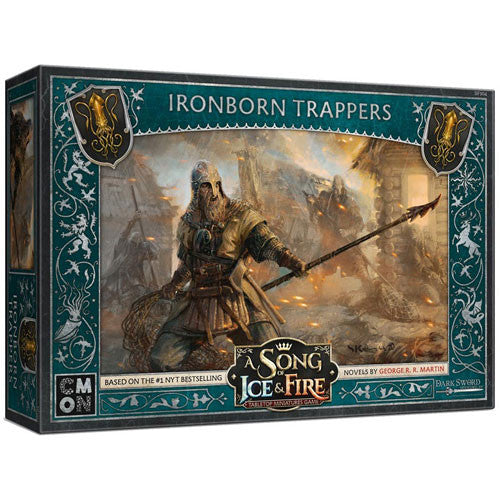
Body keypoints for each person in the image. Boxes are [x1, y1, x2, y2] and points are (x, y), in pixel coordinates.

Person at [150, 160, 306, 371]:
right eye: (203, 187)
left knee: (272, 353)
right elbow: (188, 263)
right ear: (195, 190)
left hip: (236, 295)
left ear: (219, 185)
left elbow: (268, 244)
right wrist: (174, 285)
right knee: (160, 360)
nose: (211, 193)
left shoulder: (241, 214)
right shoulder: (188, 223)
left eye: (213, 185)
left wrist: (290, 260)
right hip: (198, 300)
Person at [102, 211, 158, 308]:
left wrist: (148, 248)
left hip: (135, 276)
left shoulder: (140, 249)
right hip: (121, 275)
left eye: (136, 244)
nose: (134, 246)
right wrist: (132, 222)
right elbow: (123, 235)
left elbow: (154, 256)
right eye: (132, 243)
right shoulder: (124, 245)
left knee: (141, 292)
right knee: (110, 293)